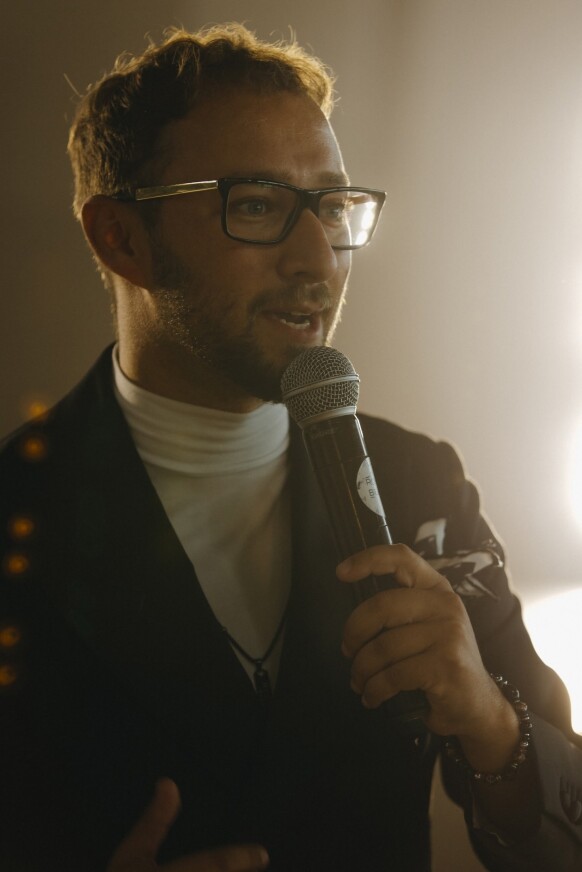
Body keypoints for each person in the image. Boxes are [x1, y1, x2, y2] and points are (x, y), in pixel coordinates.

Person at [0, 23, 581, 872]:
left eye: (333, 208)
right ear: (121, 237)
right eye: (257, 206)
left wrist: (490, 721)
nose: (318, 260)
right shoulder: (18, 513)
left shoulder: (420, 484)